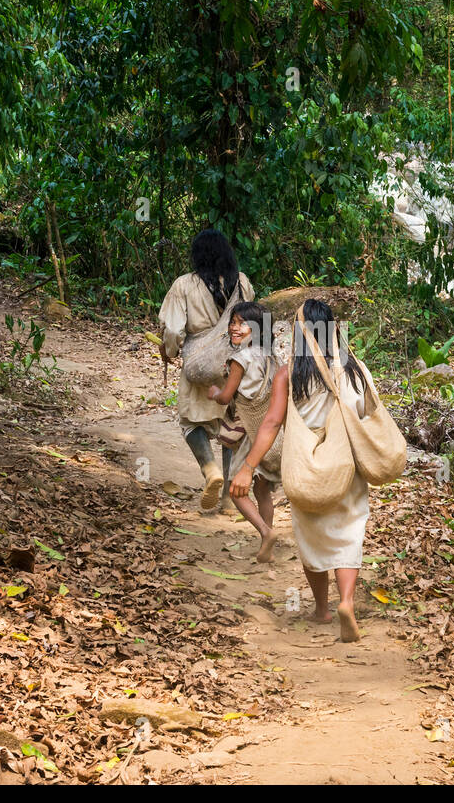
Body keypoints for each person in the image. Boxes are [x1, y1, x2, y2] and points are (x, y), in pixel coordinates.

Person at [231, 298, 374, 643]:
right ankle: (348, 603)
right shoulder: (353, 368)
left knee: (311, 537)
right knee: (349, 531)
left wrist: (248, 466)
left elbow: (272, 422)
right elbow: (367, 412)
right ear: (332, 330)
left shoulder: (289, 373)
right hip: (345, 465)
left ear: (297, 333)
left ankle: (322, 609)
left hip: (304, 468)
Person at [158, 229, 255, 510]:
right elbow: (253, 321)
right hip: (234, 362)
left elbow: (174, 330)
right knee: (230, 426)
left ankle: (210, 470)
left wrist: (172, 351)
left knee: (191, 422)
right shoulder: (243, 283)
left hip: (199, 363)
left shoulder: (184, 285)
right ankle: (227, 498)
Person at [208, 302, 282, 562]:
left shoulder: (240, 359)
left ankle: (265, 532)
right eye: (233, 322)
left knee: (236, 491)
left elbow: (227, 396)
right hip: (271, 433)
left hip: (250, 433)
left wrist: (216, 393)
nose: (234, 327)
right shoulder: (274, 357)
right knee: (263, 491)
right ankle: (267, 544)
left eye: (241, 323)